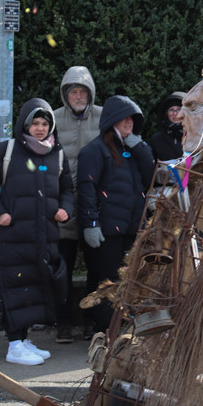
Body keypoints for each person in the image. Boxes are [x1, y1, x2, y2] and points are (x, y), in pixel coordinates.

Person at [0, 99, 74, 366]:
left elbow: (67, 189)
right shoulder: (6, 150)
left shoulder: (57, 153)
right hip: (11, 237)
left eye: (45, 124)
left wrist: (66, 209)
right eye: (35, 123)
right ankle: (14, 345)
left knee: (33, 288)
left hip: (43, 236)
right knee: (13, 286)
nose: (40, 128)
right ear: (25, 124)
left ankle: (23, 340)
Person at [77, 95, 155, 335]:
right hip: (106, 231)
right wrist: (91, 223)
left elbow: (151, 175)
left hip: (131, 229)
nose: (129, 122)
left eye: (132, 118)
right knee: (107, 282)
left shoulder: (132, 149)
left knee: (127, 281)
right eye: (124, 118)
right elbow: (86, 187)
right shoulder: (94, 150)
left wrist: (139, 147)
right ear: (111, 120)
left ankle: (117, 328)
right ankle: (106, 332)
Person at [53, 67, 103, 343]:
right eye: (73, 91)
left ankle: (92, 321)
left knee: (97, 268)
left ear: (90, 93)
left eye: (83, 91)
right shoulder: (52, 118)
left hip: (94, 206)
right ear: (66, 94)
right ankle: (63, 323)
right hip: (63, 205)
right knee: (62, 268)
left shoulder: (104, 116)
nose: (79, 95)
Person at [148, 92, 186, 162]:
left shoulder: (195, 137)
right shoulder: (156, 140)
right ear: (166, 113)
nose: (175, 114)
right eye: (171, 110)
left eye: (179, 109)